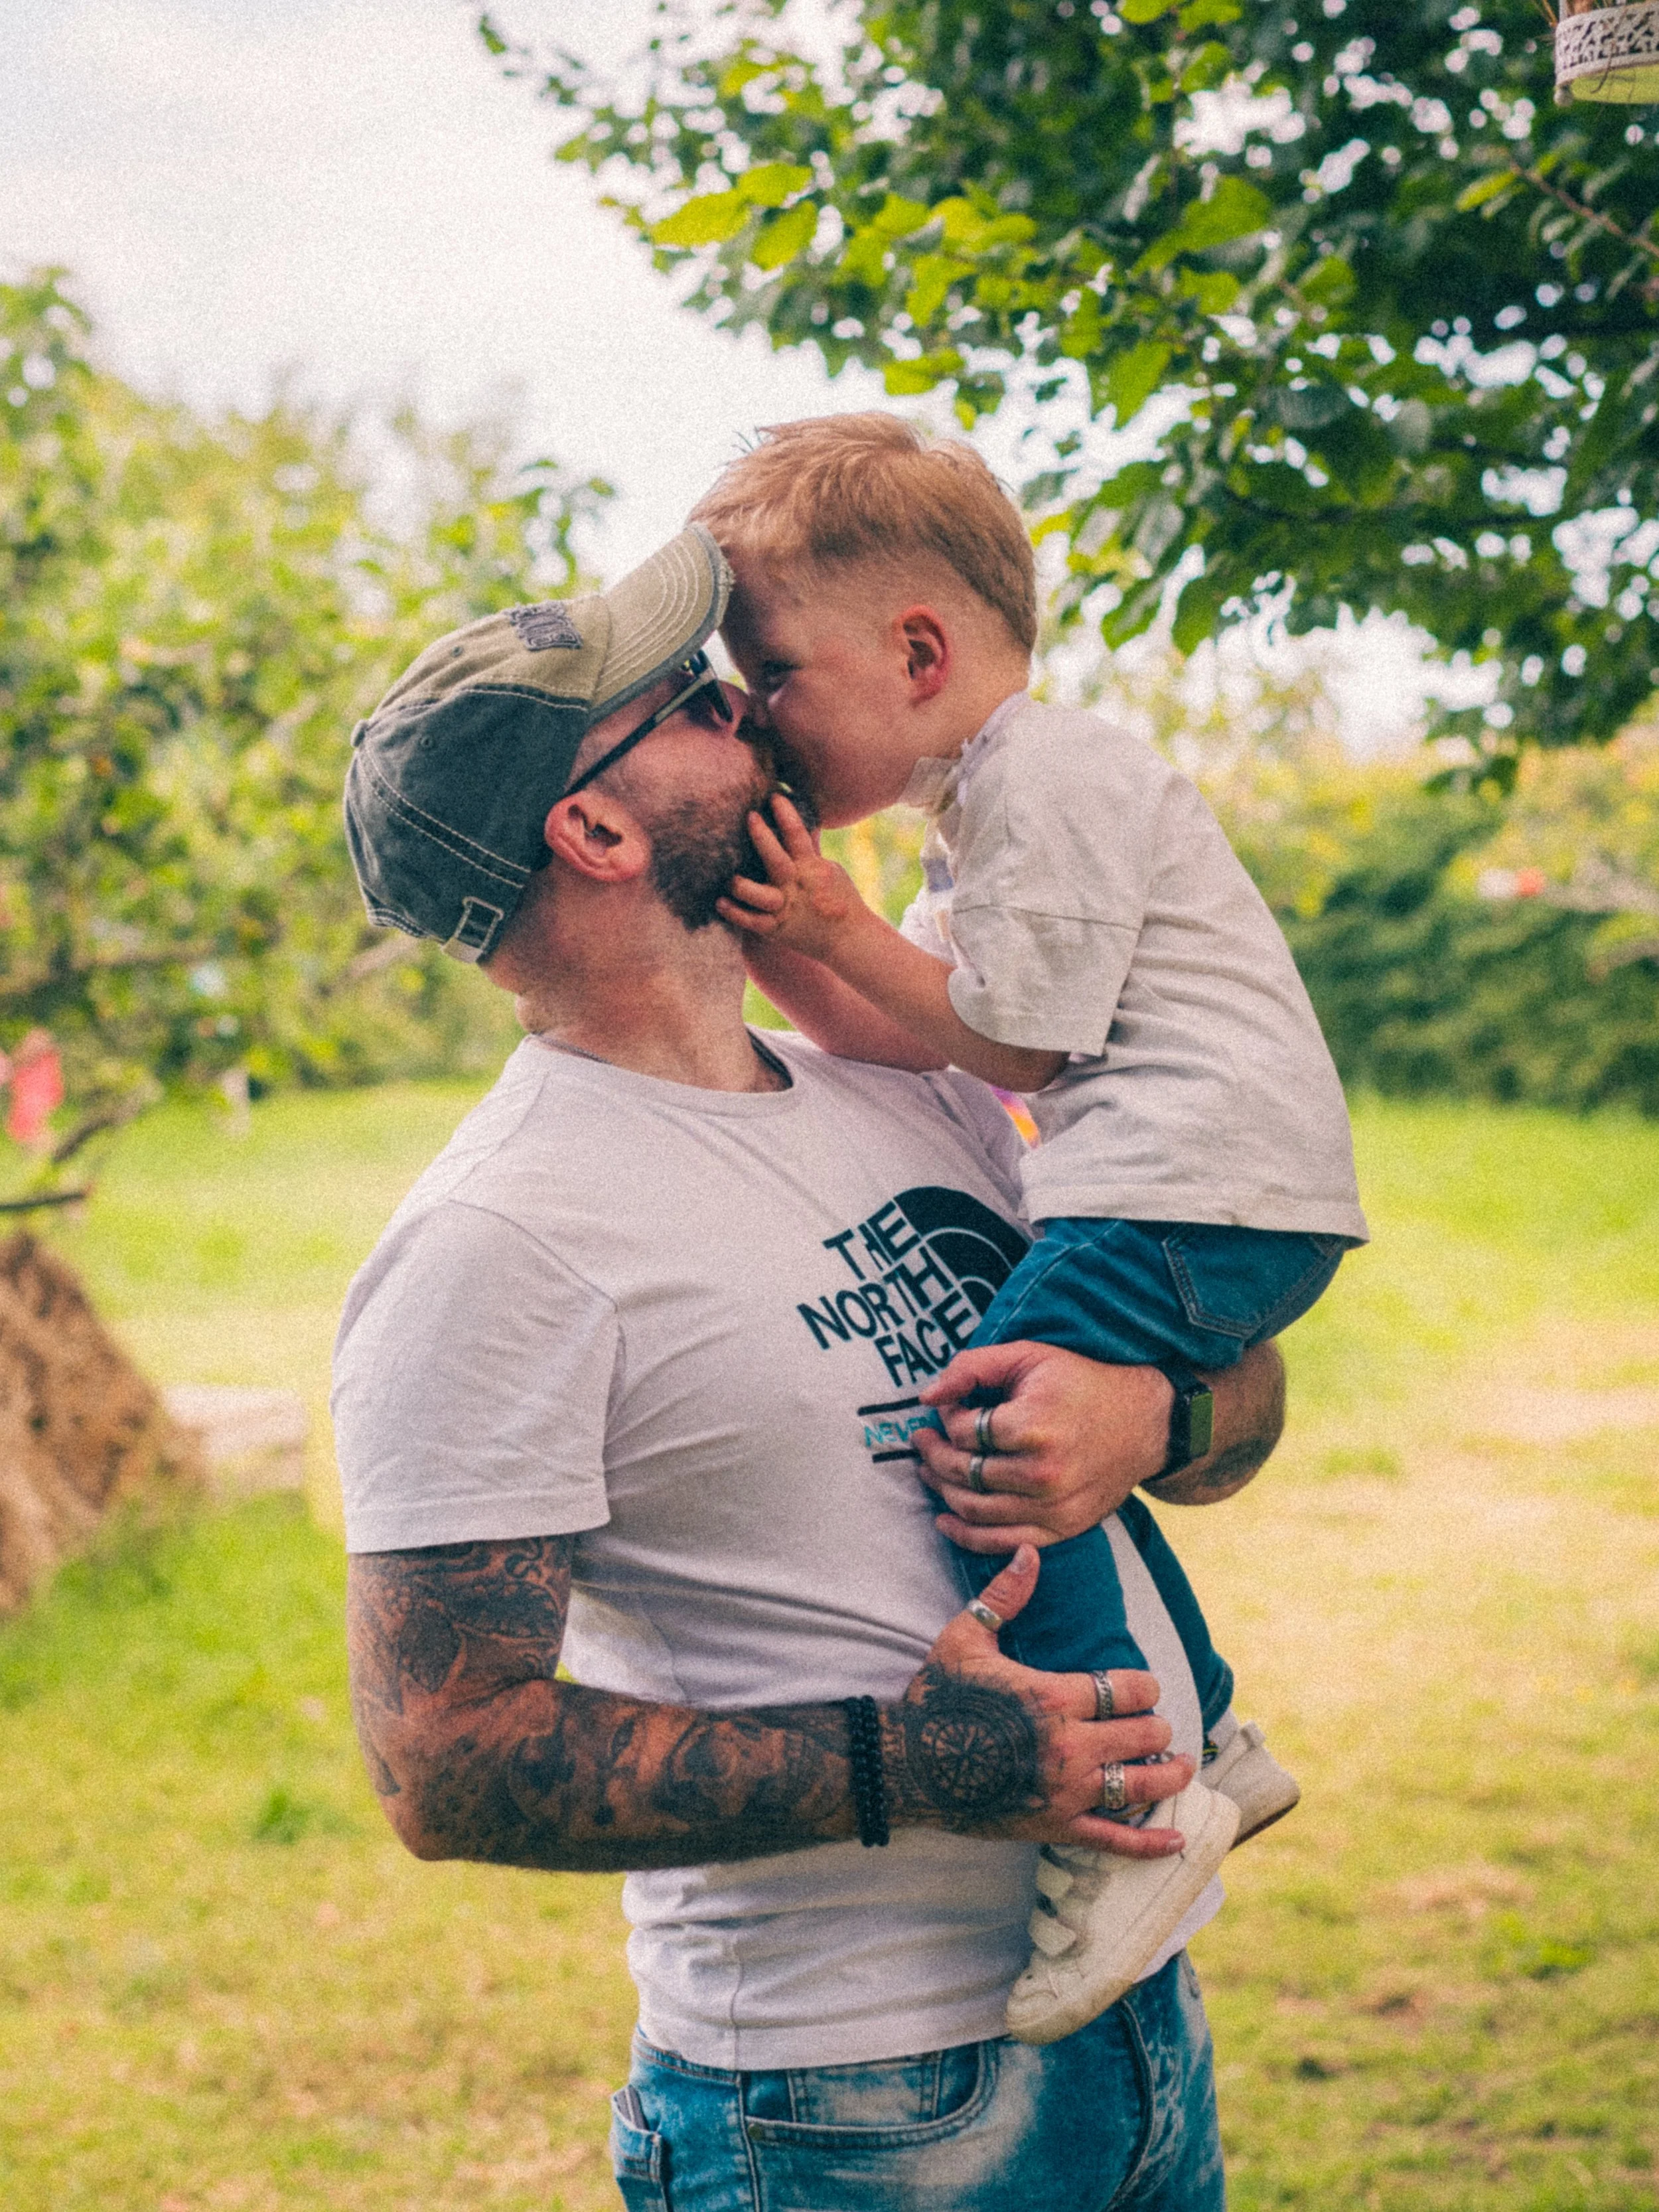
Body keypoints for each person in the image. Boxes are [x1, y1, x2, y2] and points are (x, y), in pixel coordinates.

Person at [332, 524, 1289, 2211]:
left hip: (1139, 2018)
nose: (759, 714)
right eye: (701, 698)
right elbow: (440, 1755)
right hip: (842, 2107)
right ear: (598, 828)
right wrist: (914, 1766)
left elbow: (1238, 1399)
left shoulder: (903, 1075)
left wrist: (1150, 1415)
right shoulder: (500, 1241)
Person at [694, 412, 1369, 2041]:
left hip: (1188, 1181)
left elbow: (1023, 1039)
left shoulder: (1049, 775)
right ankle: (1203, 1733)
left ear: (916, 648)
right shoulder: (986, 806)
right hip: (1189, 1184)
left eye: (774, 672)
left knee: (991, 1420)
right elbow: (898, 1025)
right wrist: (788, 936)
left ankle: (1130, 1806)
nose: (763, 723)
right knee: (1059, 1447)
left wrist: (842, 918)